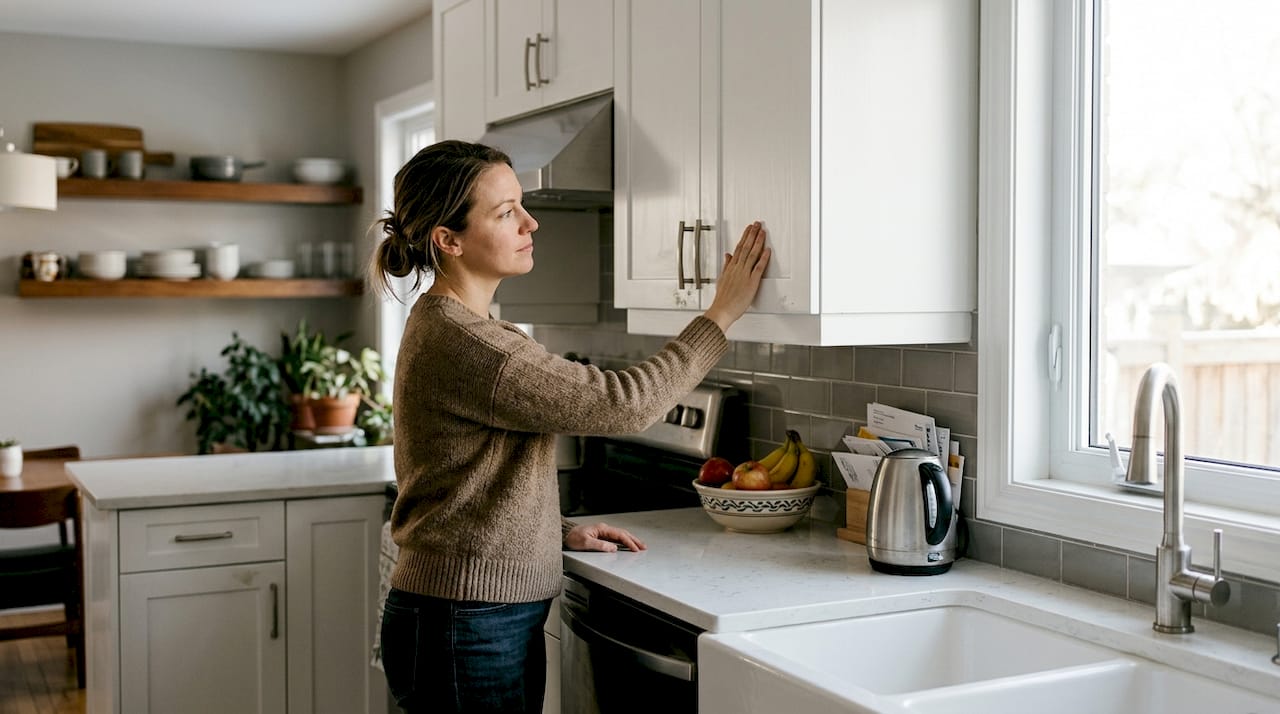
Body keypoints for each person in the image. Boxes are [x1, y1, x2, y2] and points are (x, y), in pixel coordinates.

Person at [370, 139, 770, 713]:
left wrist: (553, 531)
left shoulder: (453, 326)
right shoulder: (470, 343)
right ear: (448, 239)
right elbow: (623, 404)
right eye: (506, 212)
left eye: (523, 204)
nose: (531, 222)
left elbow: (467, 482)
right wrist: (721, 314)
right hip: (467, 624)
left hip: (465, 614)